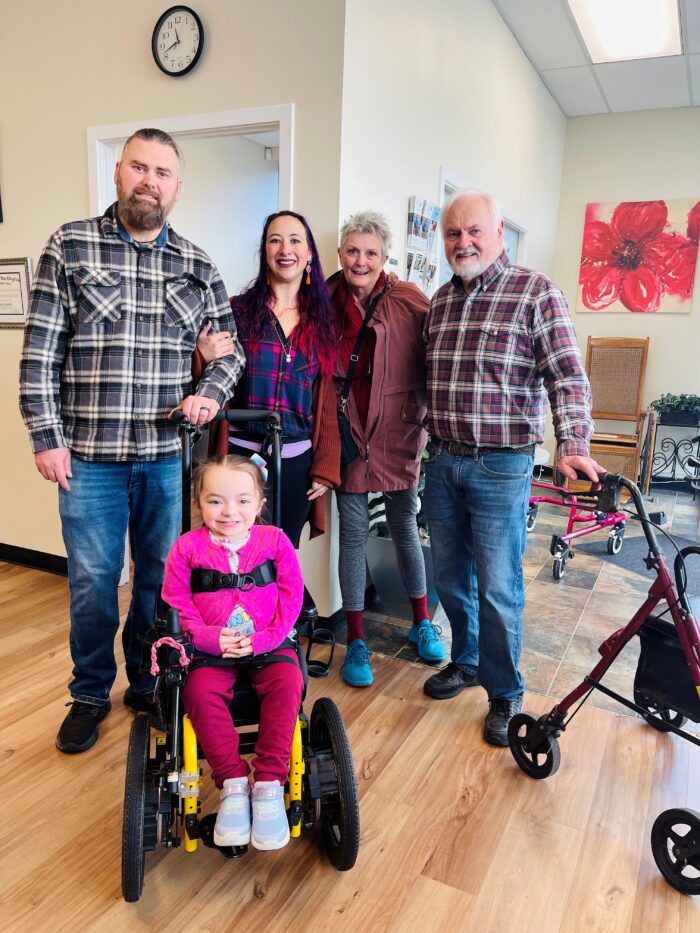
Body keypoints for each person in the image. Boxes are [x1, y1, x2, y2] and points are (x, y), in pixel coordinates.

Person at [19, 128, 244, 754]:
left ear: (177, 186)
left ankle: (146, 678)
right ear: (119, 173)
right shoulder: (70, 245)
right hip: (88, 459)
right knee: (93, 580)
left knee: (156, 580)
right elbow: (40, 353)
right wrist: (46, 437)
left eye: (163, 172)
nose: (150, 180)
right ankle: (89, 692)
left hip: (166, 459)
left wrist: (211, 393)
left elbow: (230, 355)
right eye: (139, 167)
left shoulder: (197, 265)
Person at [422, 188, 601, 746]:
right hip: (443, 460)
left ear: (498, 233)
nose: (463, 242)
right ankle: (467, 660)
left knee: (499, 588)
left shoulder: (536, 294)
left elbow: (567, 375)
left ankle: (504, 692)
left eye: (474, 231)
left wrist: (571, 441)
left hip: (502, 467)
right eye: (453, 233)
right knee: (450, 576)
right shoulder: (439, 302)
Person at [327, 210, 445, 688]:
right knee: (353, 534)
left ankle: (421, 620)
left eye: (370, 253)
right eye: (352, 251)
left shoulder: (409, 299)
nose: (360, 260)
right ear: (340, 254)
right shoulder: (324, 300)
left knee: (403, 524)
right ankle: (355, 638)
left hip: (399, 430)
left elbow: (440, 351)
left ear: (385, 257)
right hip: (348, 429)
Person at [161, 455, 303, 851]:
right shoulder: (186, 548)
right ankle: (234, 784)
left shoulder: (274, 540)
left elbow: (292, 596)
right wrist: (207, 638)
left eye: (242, 501)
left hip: (269, 645)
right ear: (198, 503)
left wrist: (268, 638)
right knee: (198, 692)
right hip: (211, 650)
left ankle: (271, 785)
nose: (229, 512)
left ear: (260, 504)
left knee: (288, 681)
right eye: (215, 501)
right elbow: (176, 600)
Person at [196, 210, 340, 548]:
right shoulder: (238, 312)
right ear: (265, 253)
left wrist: (325, 466)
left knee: (279, 559)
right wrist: (201, 356)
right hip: (238, 461)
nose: (284, 249)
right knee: (232, 556)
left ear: (308, 255)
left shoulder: (322, 322)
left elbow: (327, 399)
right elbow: (211, 380)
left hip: (296, 465)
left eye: (294, 241)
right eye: (275, 240)